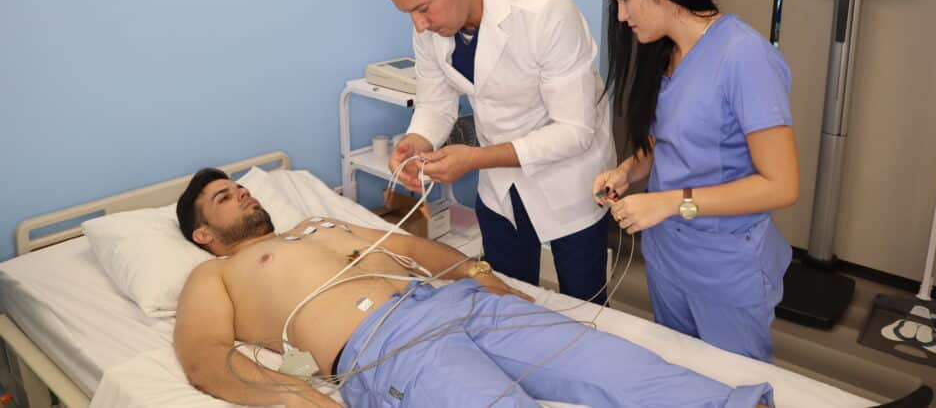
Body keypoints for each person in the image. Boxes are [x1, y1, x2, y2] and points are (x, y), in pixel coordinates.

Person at [172, 168, 776, 407]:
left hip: (460, 303)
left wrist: (479, 274)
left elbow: (409, 248)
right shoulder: (215, 274)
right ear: (203, 234)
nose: (244, 193)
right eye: (225, 197)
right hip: (386, 347)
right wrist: (296, 399)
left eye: (241, 186)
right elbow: (204, 360)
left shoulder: (319, 224)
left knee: (617, 365)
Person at [590, 0, 799, 362]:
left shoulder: (743, 57)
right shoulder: (663, 52)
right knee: (684, 374)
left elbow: (781, 185)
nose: (622, 17)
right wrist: (628, 171)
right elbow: (663, 142)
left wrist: (668, 202)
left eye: (625, 0)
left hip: (725, 265)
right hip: (669, 255)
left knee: (734, 386)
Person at [378, 0, 614, 303]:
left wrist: (474, 159)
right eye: (409, 13)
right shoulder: (430, 26)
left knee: (585, 305)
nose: (418, 26)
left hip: (568, 176)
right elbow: (436, 102)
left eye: (422, 9)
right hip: (499, 184)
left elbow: (574, 130)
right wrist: (416, 141)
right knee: (505, 296)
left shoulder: (545, 9)